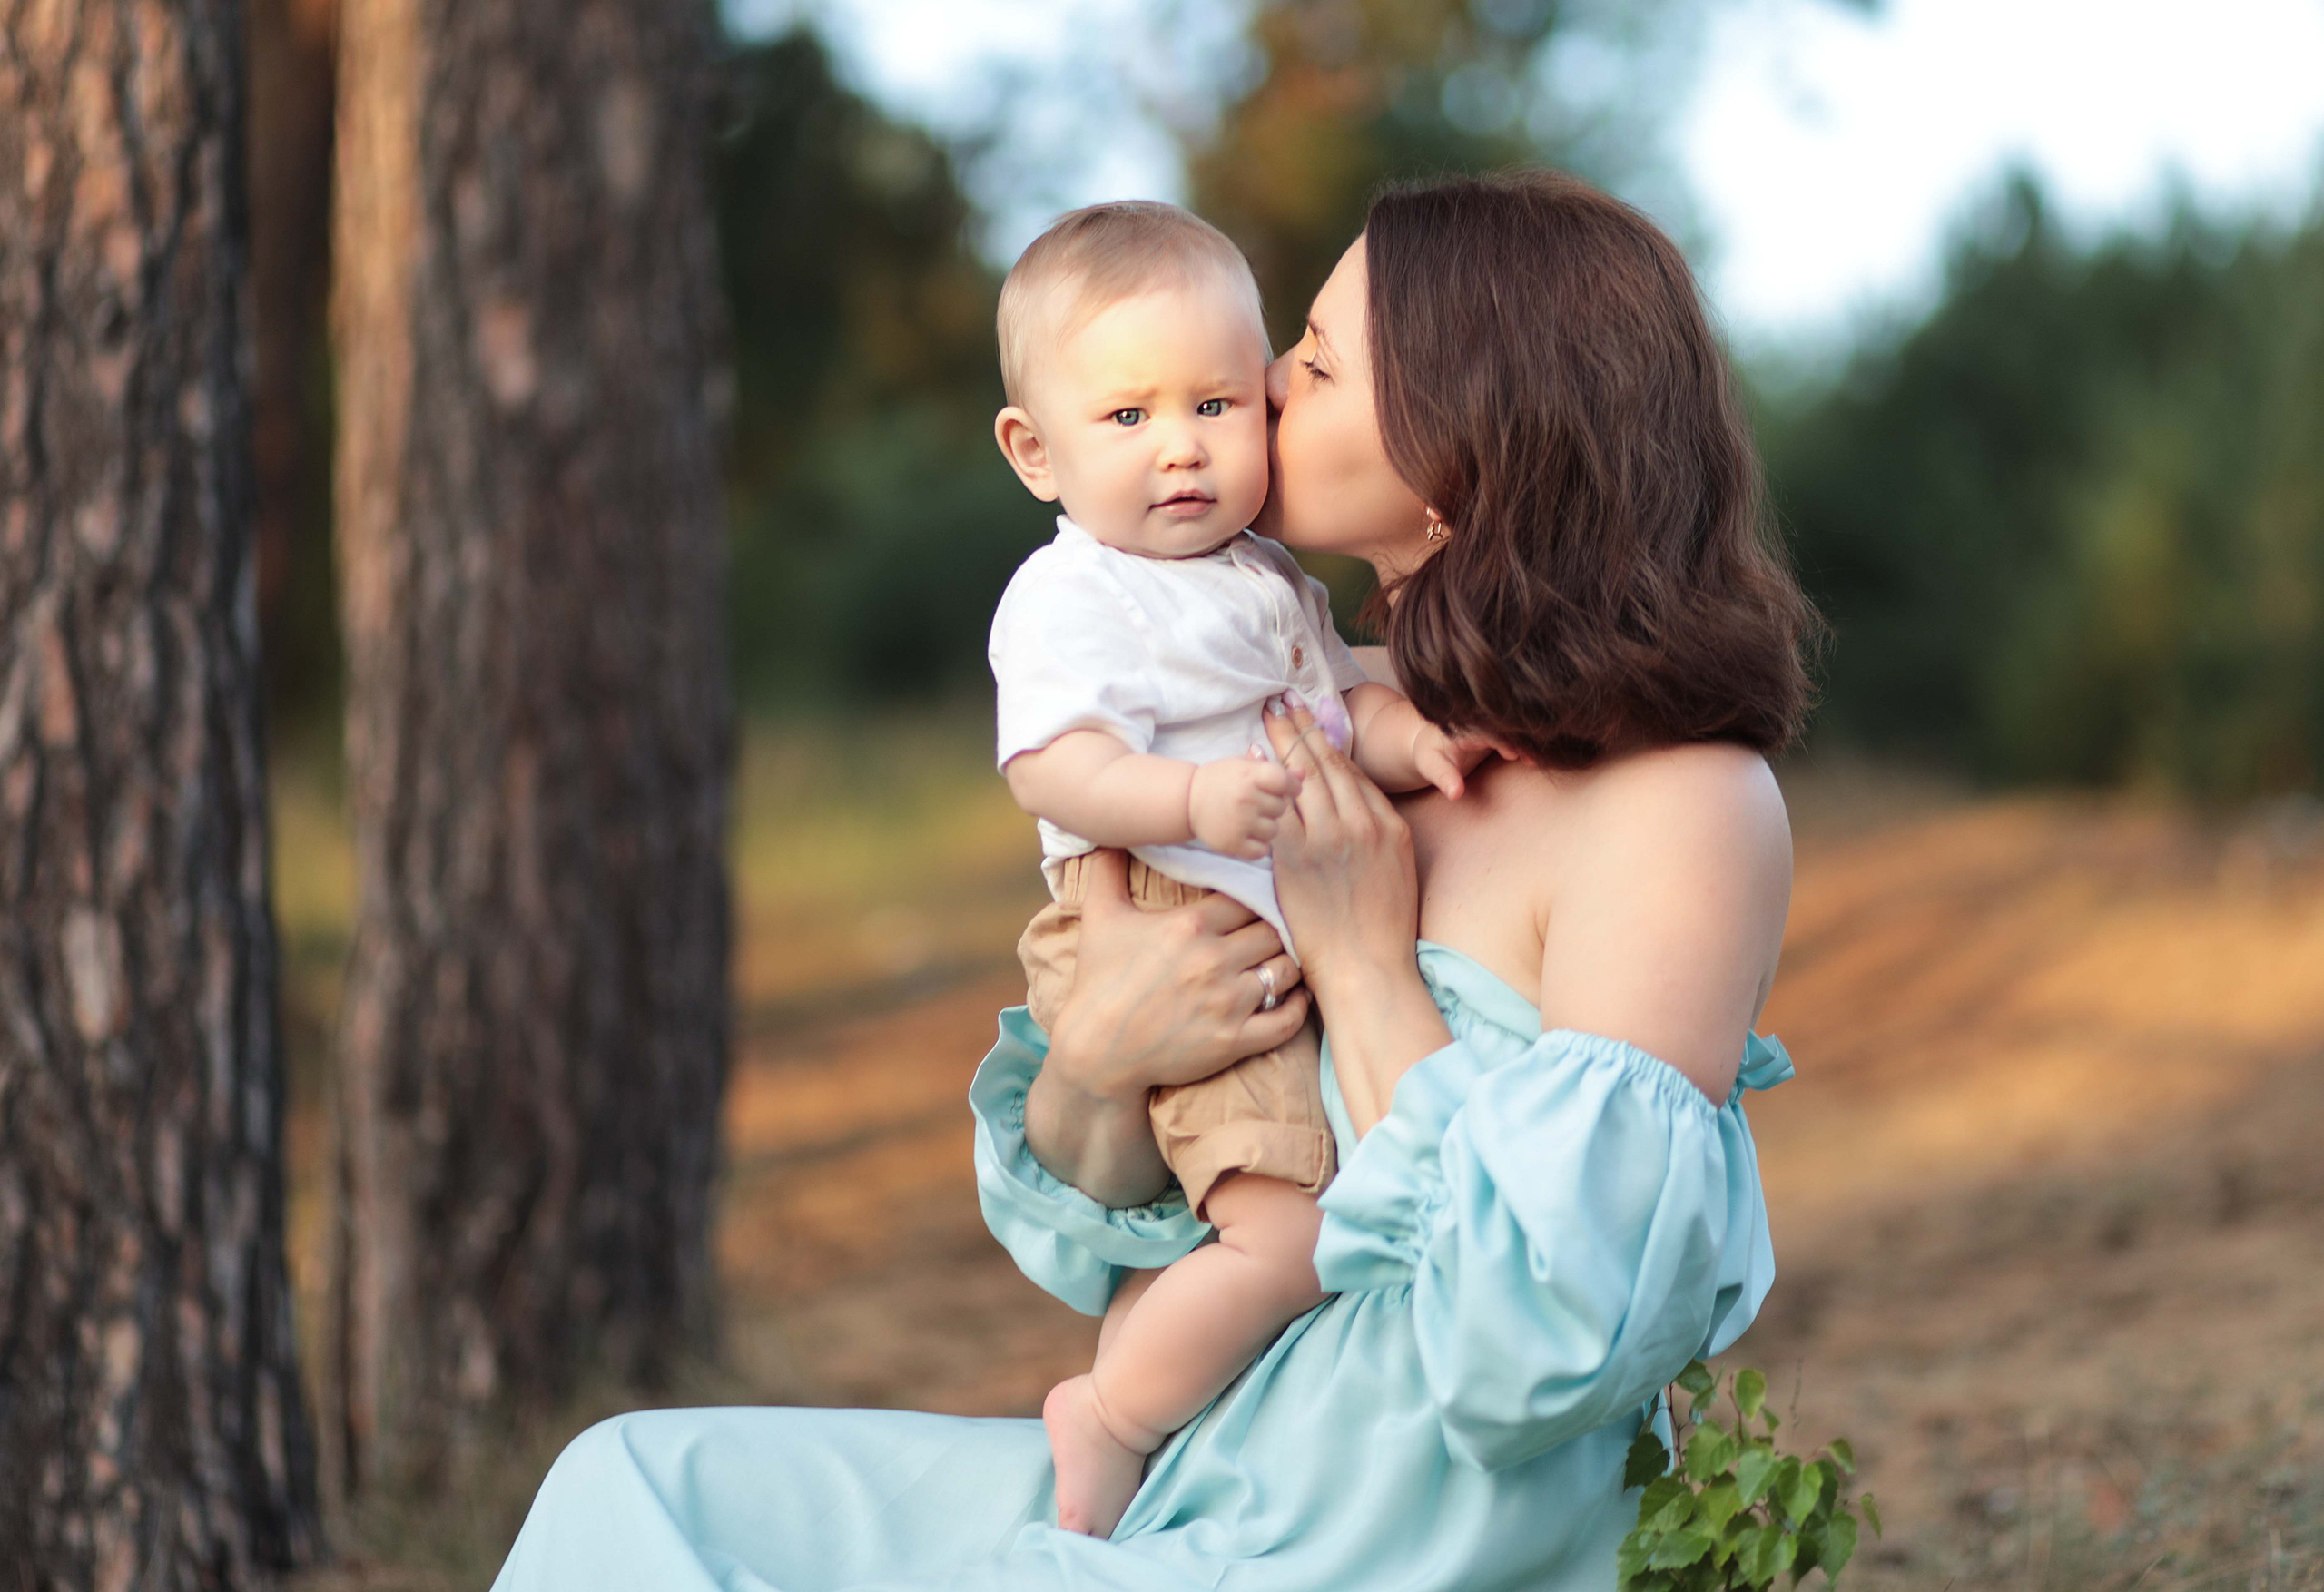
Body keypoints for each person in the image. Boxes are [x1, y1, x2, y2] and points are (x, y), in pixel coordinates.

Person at [489, 169, 1816, 1592]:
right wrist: (1102, 1057)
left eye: (1314, 358)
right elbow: (1133, 1196)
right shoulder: (1330, 731)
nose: (1262, 380)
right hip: (1203, 1461)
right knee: (638, 1487)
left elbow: (1546, 1346)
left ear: (1472, 439)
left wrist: (1367, 970)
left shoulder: (1681, 808)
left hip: (1386, 1535)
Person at [985, 199, 1482, 1538]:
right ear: (1036, 452)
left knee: (1248, 1220)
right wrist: (1194, 795)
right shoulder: (1075, 591)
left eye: (1218, 402)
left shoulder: (1264, 578)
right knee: (1287, 1235)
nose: (1187, 449)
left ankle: (1179, 1411)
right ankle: (1113, 1417)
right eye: (1130, 418)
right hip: (1166, 909)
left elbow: (1334, 708)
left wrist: (1416, 733)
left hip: (1249, 914)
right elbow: (1054, 764)